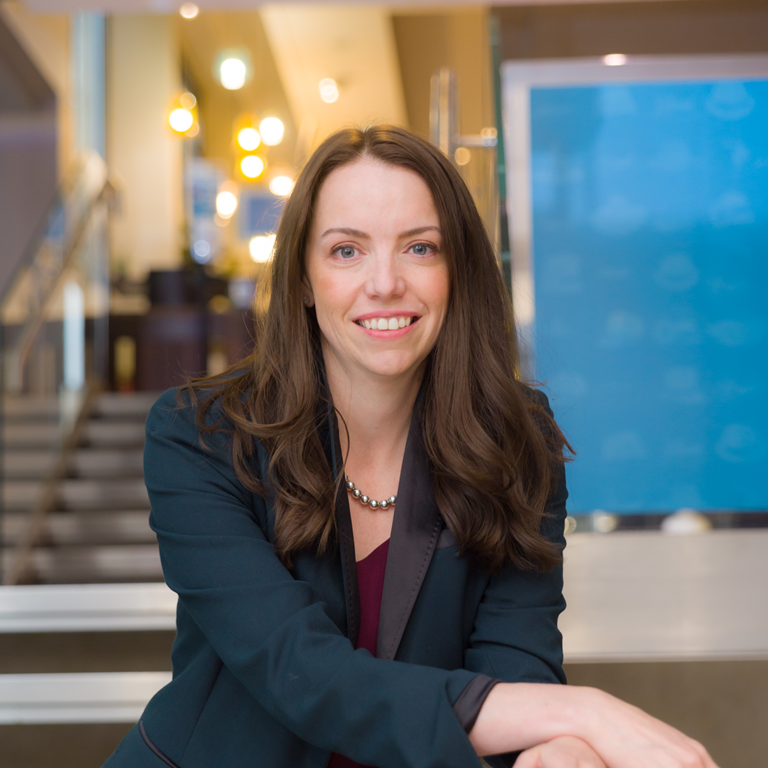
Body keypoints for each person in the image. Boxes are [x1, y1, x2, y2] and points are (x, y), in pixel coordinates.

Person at [103, 125, 717, 768]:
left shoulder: (516, 442)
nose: (386, 283)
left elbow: (516, 667)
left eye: (420, 248)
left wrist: (556, 747)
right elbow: (301, 673)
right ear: (304, 281)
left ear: (457, 273)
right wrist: (586, 713)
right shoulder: (200, 435)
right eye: (346, 251)